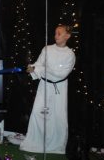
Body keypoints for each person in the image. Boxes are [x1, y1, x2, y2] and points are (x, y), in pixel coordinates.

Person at [19, 24, 76, 154]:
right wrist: (33, 67)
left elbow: (60, 73)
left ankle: (56, 147)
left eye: (59, 33)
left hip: (59, 89)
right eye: (55, 33)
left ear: (67, 36)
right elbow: (39, 64)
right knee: (38, 113)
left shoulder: (70, 54)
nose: (56, 36)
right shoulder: (47, 49)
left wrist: (40, 69)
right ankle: (34, 143)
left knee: (58, 116)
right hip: (44, 86)